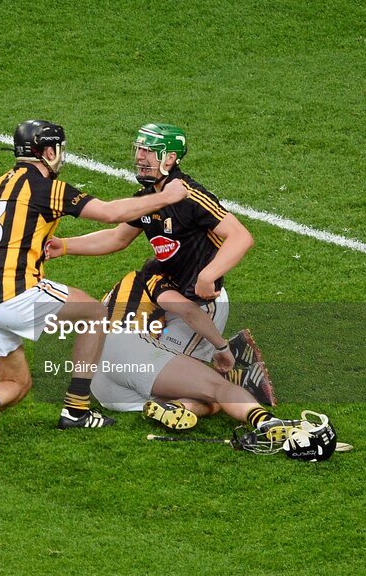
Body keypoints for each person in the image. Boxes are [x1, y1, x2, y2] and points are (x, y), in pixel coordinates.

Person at [0, 119, 189, 452]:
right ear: (48, 151)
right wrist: (166, 197)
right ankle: (77, 409)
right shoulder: (46, 187)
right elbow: (110, 213)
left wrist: (57, 245)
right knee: (95, 312)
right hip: (15, 294)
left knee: (16, 383)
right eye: (59, 150)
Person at [46, 123, 273, 402]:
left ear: (170, 158)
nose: (140, 157)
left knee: (155, 375)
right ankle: (226, 357)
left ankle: (235, 374)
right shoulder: (148, 198)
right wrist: (66, 245)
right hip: (166, 294)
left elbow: (241, 236)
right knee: (130, 362)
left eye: (149, 151)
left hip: (201, 305)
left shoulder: (191, 196)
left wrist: (208, 274)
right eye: (139, 149)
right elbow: (117, 238)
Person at [88, 268, 285, 438]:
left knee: (208, 400)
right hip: (127, 348)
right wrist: (222, 347)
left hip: (100, 386)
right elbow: (189, 312)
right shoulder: (156, 281)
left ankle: (179, 408)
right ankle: (267, 421)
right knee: (217, 389)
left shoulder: (119, 289)